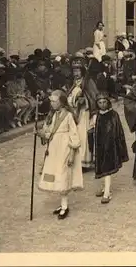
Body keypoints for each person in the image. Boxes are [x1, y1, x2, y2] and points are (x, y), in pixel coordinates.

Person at [37, 90, 83, 220]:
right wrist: (40, 133)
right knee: (56, 174)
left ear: (61, 102)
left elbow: (74, 134)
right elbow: (48, 133)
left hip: (64, 148)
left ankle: (65, 206)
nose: (51, 103)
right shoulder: (51, 115)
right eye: (51, 101)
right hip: (53, 149)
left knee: (63, 174)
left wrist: (72, 154)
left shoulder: (68, 116)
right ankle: (62, 204)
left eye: (54, 101)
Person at [91, 93, 129, 204]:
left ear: (108, 102)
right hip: (100, 146)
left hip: (111, 146)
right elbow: (93, 130)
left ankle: (107, 192)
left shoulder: (113, 115)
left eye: (104, 102)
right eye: (100, 103)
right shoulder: (96, 115)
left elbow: (118, 132)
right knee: (102, 167)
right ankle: (104, 188)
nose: (102, 105)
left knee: (107, 168)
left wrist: (118, 147)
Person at [67, 60, 99, 172]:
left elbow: (94, 97)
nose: (76, 73)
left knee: (83, 137)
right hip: (74, 113)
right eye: (74, 70)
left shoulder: (88, 82)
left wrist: (84, 100)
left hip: (84, 114)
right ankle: (74, 160)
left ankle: (84, 162)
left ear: (82, 71)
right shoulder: (74, 82)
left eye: (78, 70)